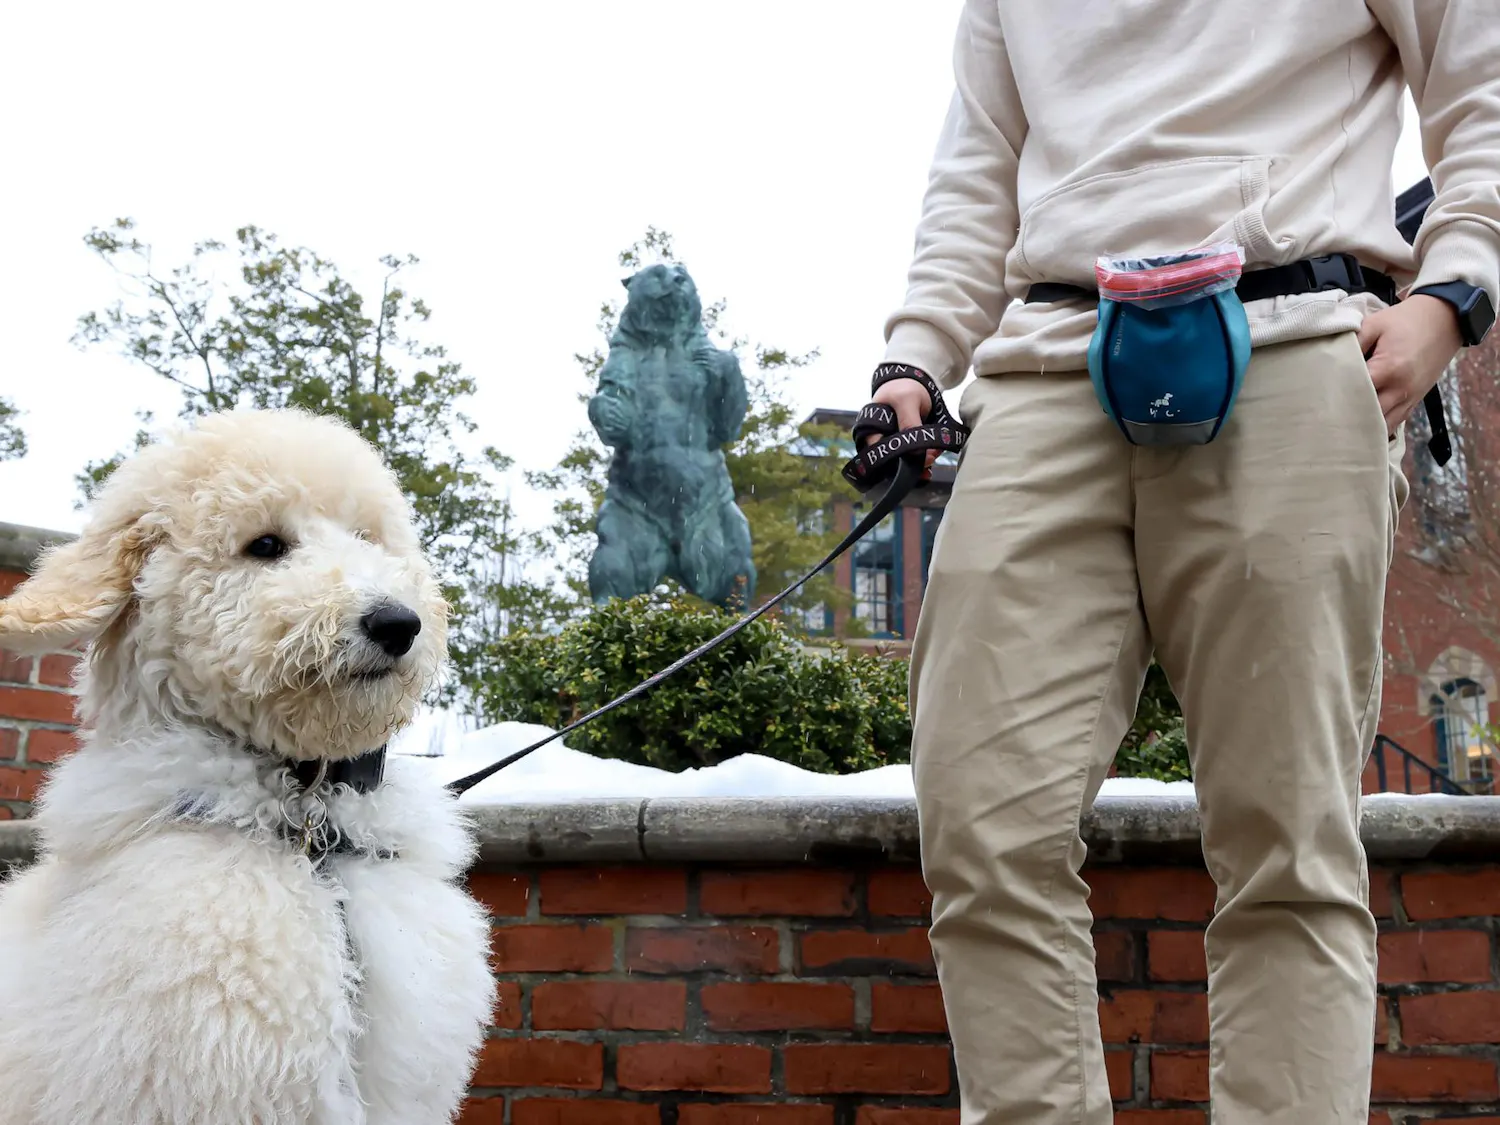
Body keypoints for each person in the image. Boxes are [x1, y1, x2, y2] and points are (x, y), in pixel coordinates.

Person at [865, 4, 1499, 1123]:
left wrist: (1454, 295)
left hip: (1294, 341)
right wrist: (917, 352)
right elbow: (979, 160)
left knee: (1287, 841)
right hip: (1049, 362)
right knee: (980, 819)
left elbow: (1480, 77)